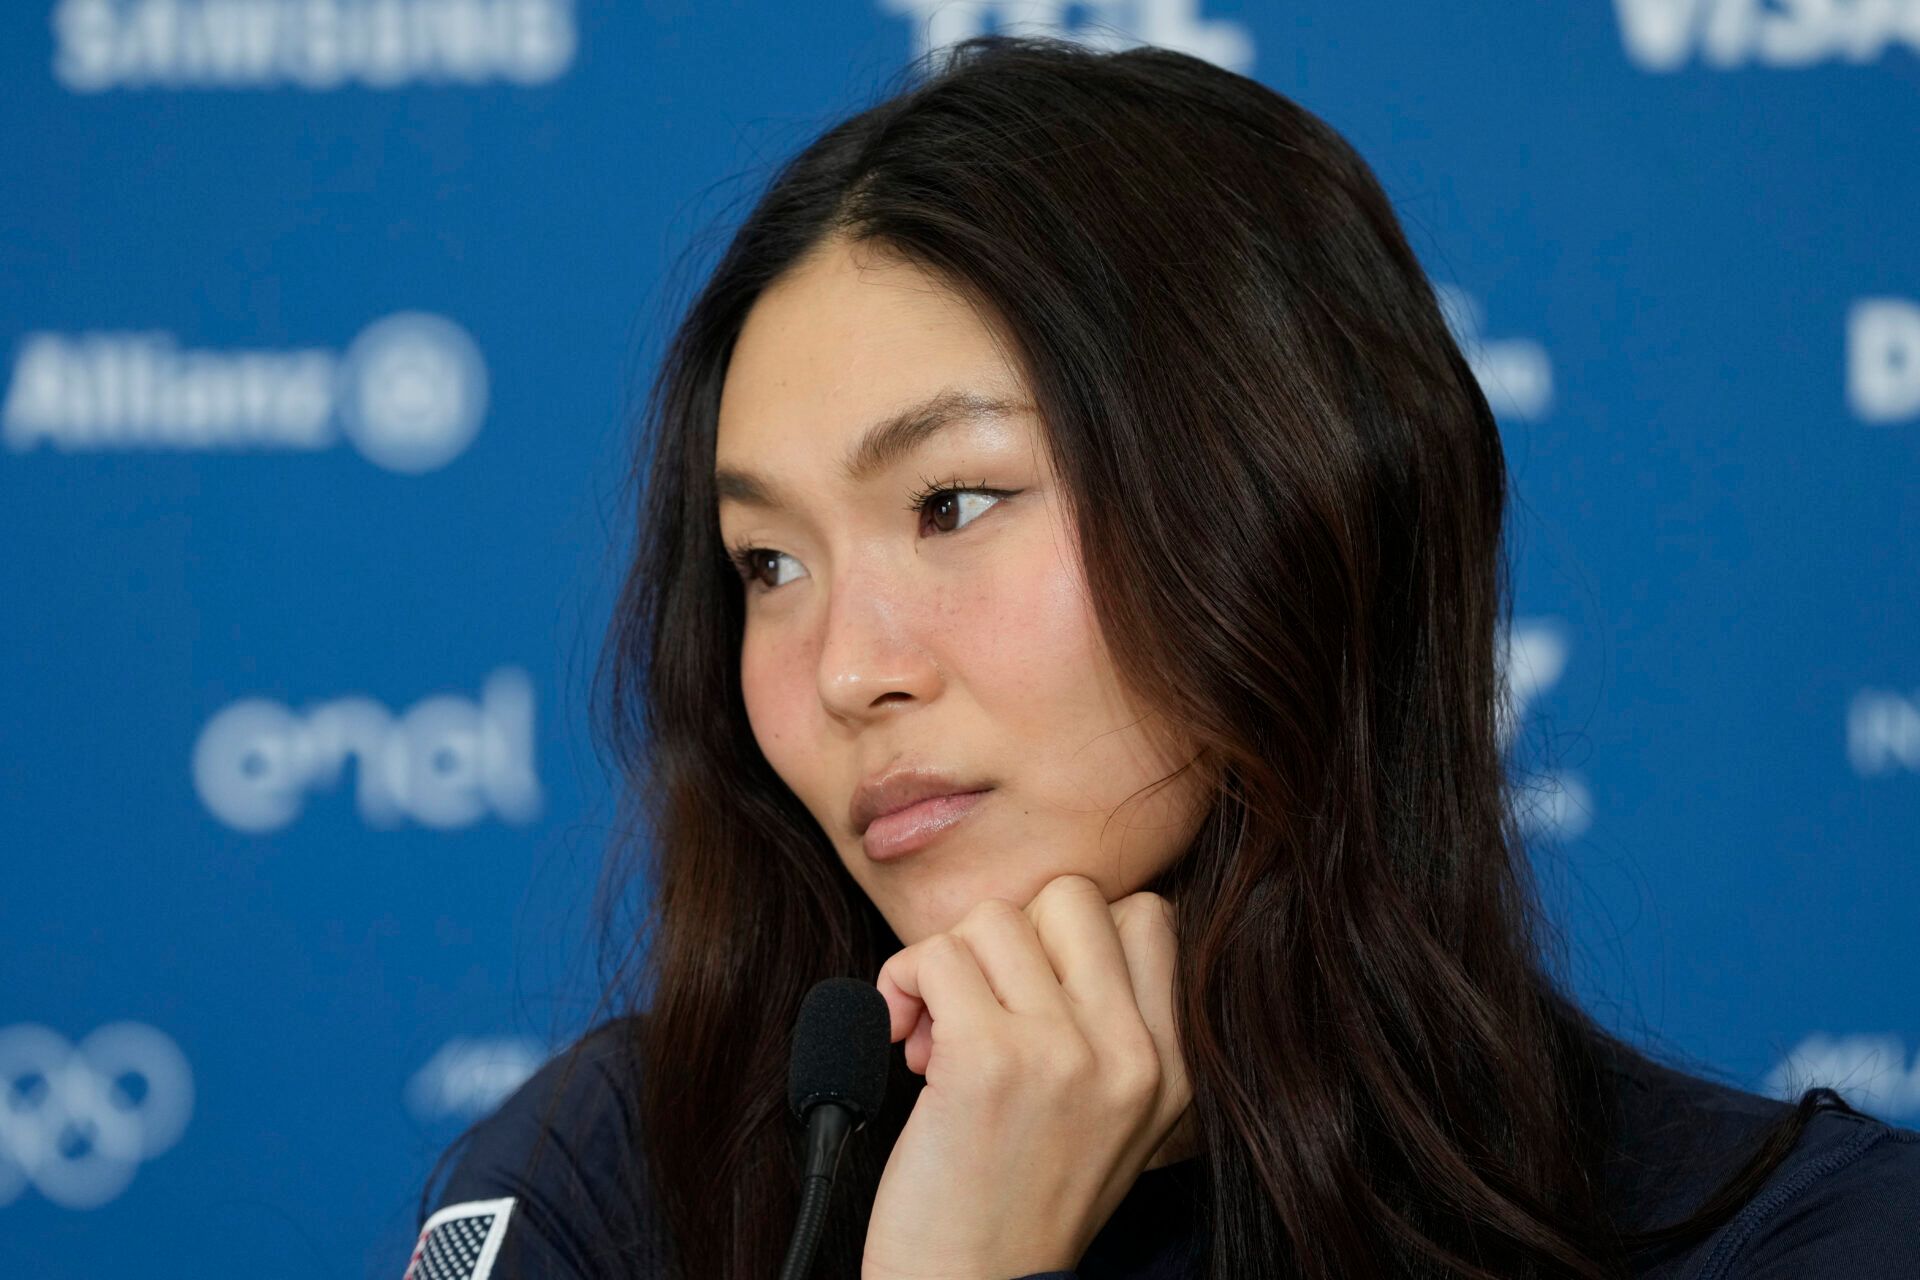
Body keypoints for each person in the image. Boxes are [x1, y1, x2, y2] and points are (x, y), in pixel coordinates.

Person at [404, 33, 1920, 1280]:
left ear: (1282, 508)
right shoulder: (599, 1187)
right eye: (767, 566)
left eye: (955, 502)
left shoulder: (1808, 1238)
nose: (848, 668)